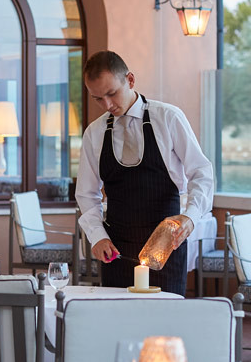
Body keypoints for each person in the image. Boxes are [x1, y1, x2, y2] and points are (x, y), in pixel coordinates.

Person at [75, 51, 214, 295]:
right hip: (116, 251)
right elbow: (86, 194)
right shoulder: (94, 133)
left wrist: (191, 216)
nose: (107, 105)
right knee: (117, 317)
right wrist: (97, 236)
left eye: (111, 93)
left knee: (164, 317)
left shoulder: (168, 117)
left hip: (166, 247)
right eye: (98, 99)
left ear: (130, 80)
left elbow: (201, 171)